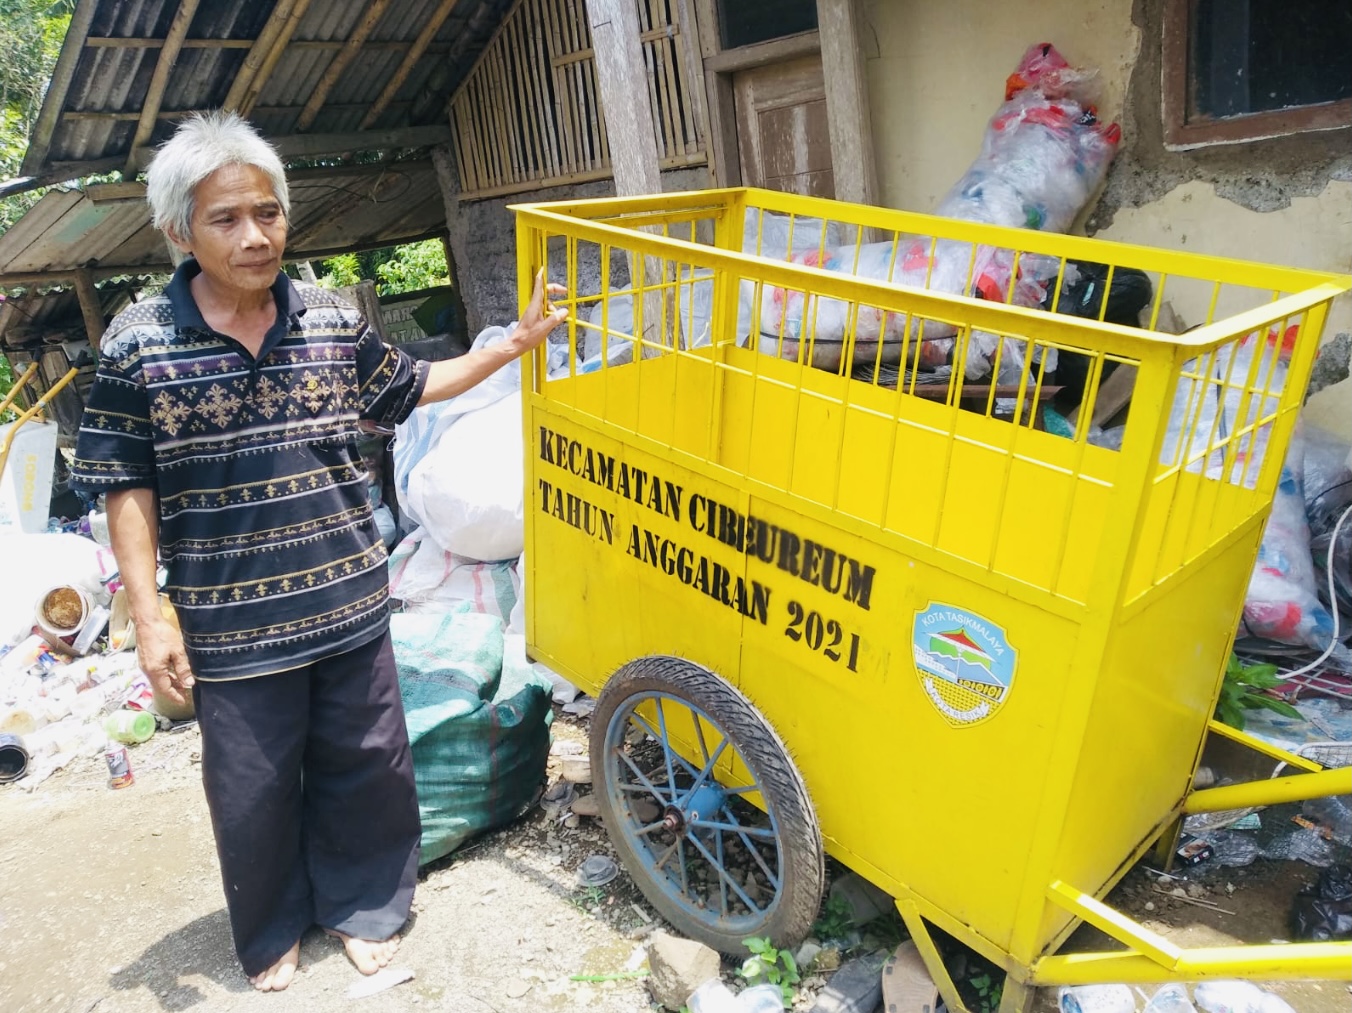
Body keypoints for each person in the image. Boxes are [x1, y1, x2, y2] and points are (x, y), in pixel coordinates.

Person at [70, 110, 566, 992]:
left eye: (268, 212)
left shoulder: (333, 318)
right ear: (180, 230)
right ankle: (270, 927)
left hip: (347, 596)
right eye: (227, 219)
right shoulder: (138, 342)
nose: (256, 235)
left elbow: (412, 385)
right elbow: (124, 486)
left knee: (367, 764)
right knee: (253, 789)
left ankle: (366, 906)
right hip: (232, 621)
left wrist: (514, 347)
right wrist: (150, 620)